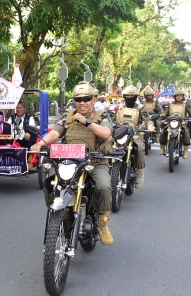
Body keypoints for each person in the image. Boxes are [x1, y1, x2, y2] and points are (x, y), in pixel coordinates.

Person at [30, 81, 115, 245]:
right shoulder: (67, 117)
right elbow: (55, 133)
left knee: (104, 186)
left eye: (86, 98)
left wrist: (87, 122)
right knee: (51, 182)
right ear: (74, 100)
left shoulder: (102, 116)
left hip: (94, 161)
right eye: (78, 99)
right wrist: (40, 143)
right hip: (70, 162)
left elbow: (106, 133)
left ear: (94, 99)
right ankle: (58, 213)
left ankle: (103, 223)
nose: (82, 102)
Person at [116, 85, 153, 189]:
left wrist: (150, 125)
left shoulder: (140, 108)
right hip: (120, 134)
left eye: (132, 95)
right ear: (124, 96)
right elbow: (113, 119)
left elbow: (147, 118)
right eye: (127, 95)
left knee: (140, 150)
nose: (129, 97)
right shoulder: (119, 107)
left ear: (136, 97)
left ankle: (140, 174)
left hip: (135, 134)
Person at [159, 89, 191, 159]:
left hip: (182, 122)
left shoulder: (185, 104)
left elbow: (190, 111)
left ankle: (186, 150)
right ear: (174, 97)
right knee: (163, 131)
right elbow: (165, 112)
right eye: (177, 96)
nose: (179, 97)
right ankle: (162, 147)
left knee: (186, 131)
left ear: (183, 97)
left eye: (180, 96)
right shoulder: (170, 104)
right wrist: (163, 114)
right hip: (170, 122)